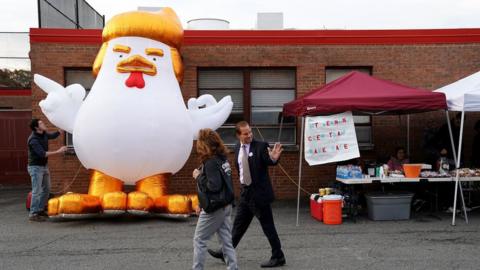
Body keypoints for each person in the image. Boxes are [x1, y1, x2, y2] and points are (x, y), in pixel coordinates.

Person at [208, 121, 286, 268]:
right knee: (238, 226)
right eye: (245, 133)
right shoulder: (237, 148)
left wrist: (274, 158)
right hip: (246, 194)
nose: (249, 135)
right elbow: (241, 169)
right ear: (238, 135)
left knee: (268, 226)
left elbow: (269, 161)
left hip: (260, 195)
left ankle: (278, 256)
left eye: (250, 132)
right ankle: (226, 252)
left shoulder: (261, 146)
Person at [192, 128, 237, 270]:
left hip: (214, 207)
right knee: (226, 242)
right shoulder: (222, 158)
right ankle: (233, 267)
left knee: (199, 240)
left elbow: (214, 186)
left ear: (203, 144)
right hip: (226, 205)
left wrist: (198, 176)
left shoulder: (211, 162)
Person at [27, 119, 67, 222]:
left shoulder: (43, 133)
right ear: (36, 127)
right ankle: (33, 214)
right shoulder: (33, 139)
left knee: (47, 189)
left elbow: (52, 136)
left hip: (44, 166)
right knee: (37, 191)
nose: (43, 124)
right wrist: (58, 151)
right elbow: (42, 154)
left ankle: (40, 209)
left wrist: (60, 131)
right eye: (41, 123)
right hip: (35, 168)